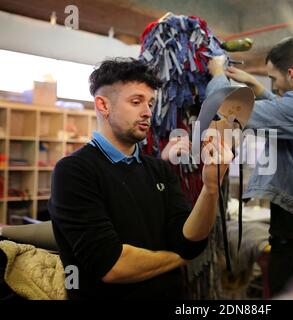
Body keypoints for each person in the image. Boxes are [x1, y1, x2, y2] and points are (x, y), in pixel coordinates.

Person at [48, 58, 233, 299]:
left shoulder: (159, 169)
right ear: (103, 105)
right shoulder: (73, 172)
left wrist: (210, 188)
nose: (148, 112)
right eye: (136, 102)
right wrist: (181, 257)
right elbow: (112, 266)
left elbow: (190, 239)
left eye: (151, 102)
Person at [207, 37, 293, 296]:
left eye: (274, 79)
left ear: (291, 74)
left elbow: (228, 107)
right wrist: (258, 87)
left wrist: (218, 73)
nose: (274, 87)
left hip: (292, 241)